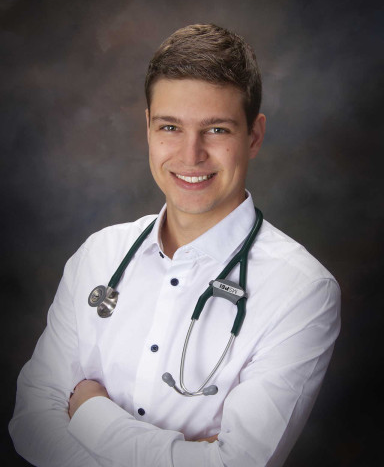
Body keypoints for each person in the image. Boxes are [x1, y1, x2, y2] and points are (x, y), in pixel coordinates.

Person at [9, 24, 341, 467]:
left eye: (217, 130)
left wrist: (87, 411)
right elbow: (31, 416)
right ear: (147, 127)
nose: (190, 155)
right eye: (170, 126)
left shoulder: (302, 291)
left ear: (254, 136)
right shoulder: (100, 254)